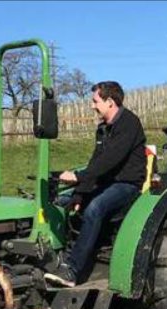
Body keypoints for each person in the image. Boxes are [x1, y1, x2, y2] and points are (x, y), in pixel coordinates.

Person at [53, 81, 147, 286]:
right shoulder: (104, 128)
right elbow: (96, 161)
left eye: (95, 101)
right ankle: (57, 256)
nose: (92, 106)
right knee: (62, 200)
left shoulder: (129, 123)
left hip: (126, 185)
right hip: (106, 182)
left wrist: (79, 176)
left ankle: (73, 270)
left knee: (95, 208)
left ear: (110, 101)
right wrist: (79, 193)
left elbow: (110, 159)